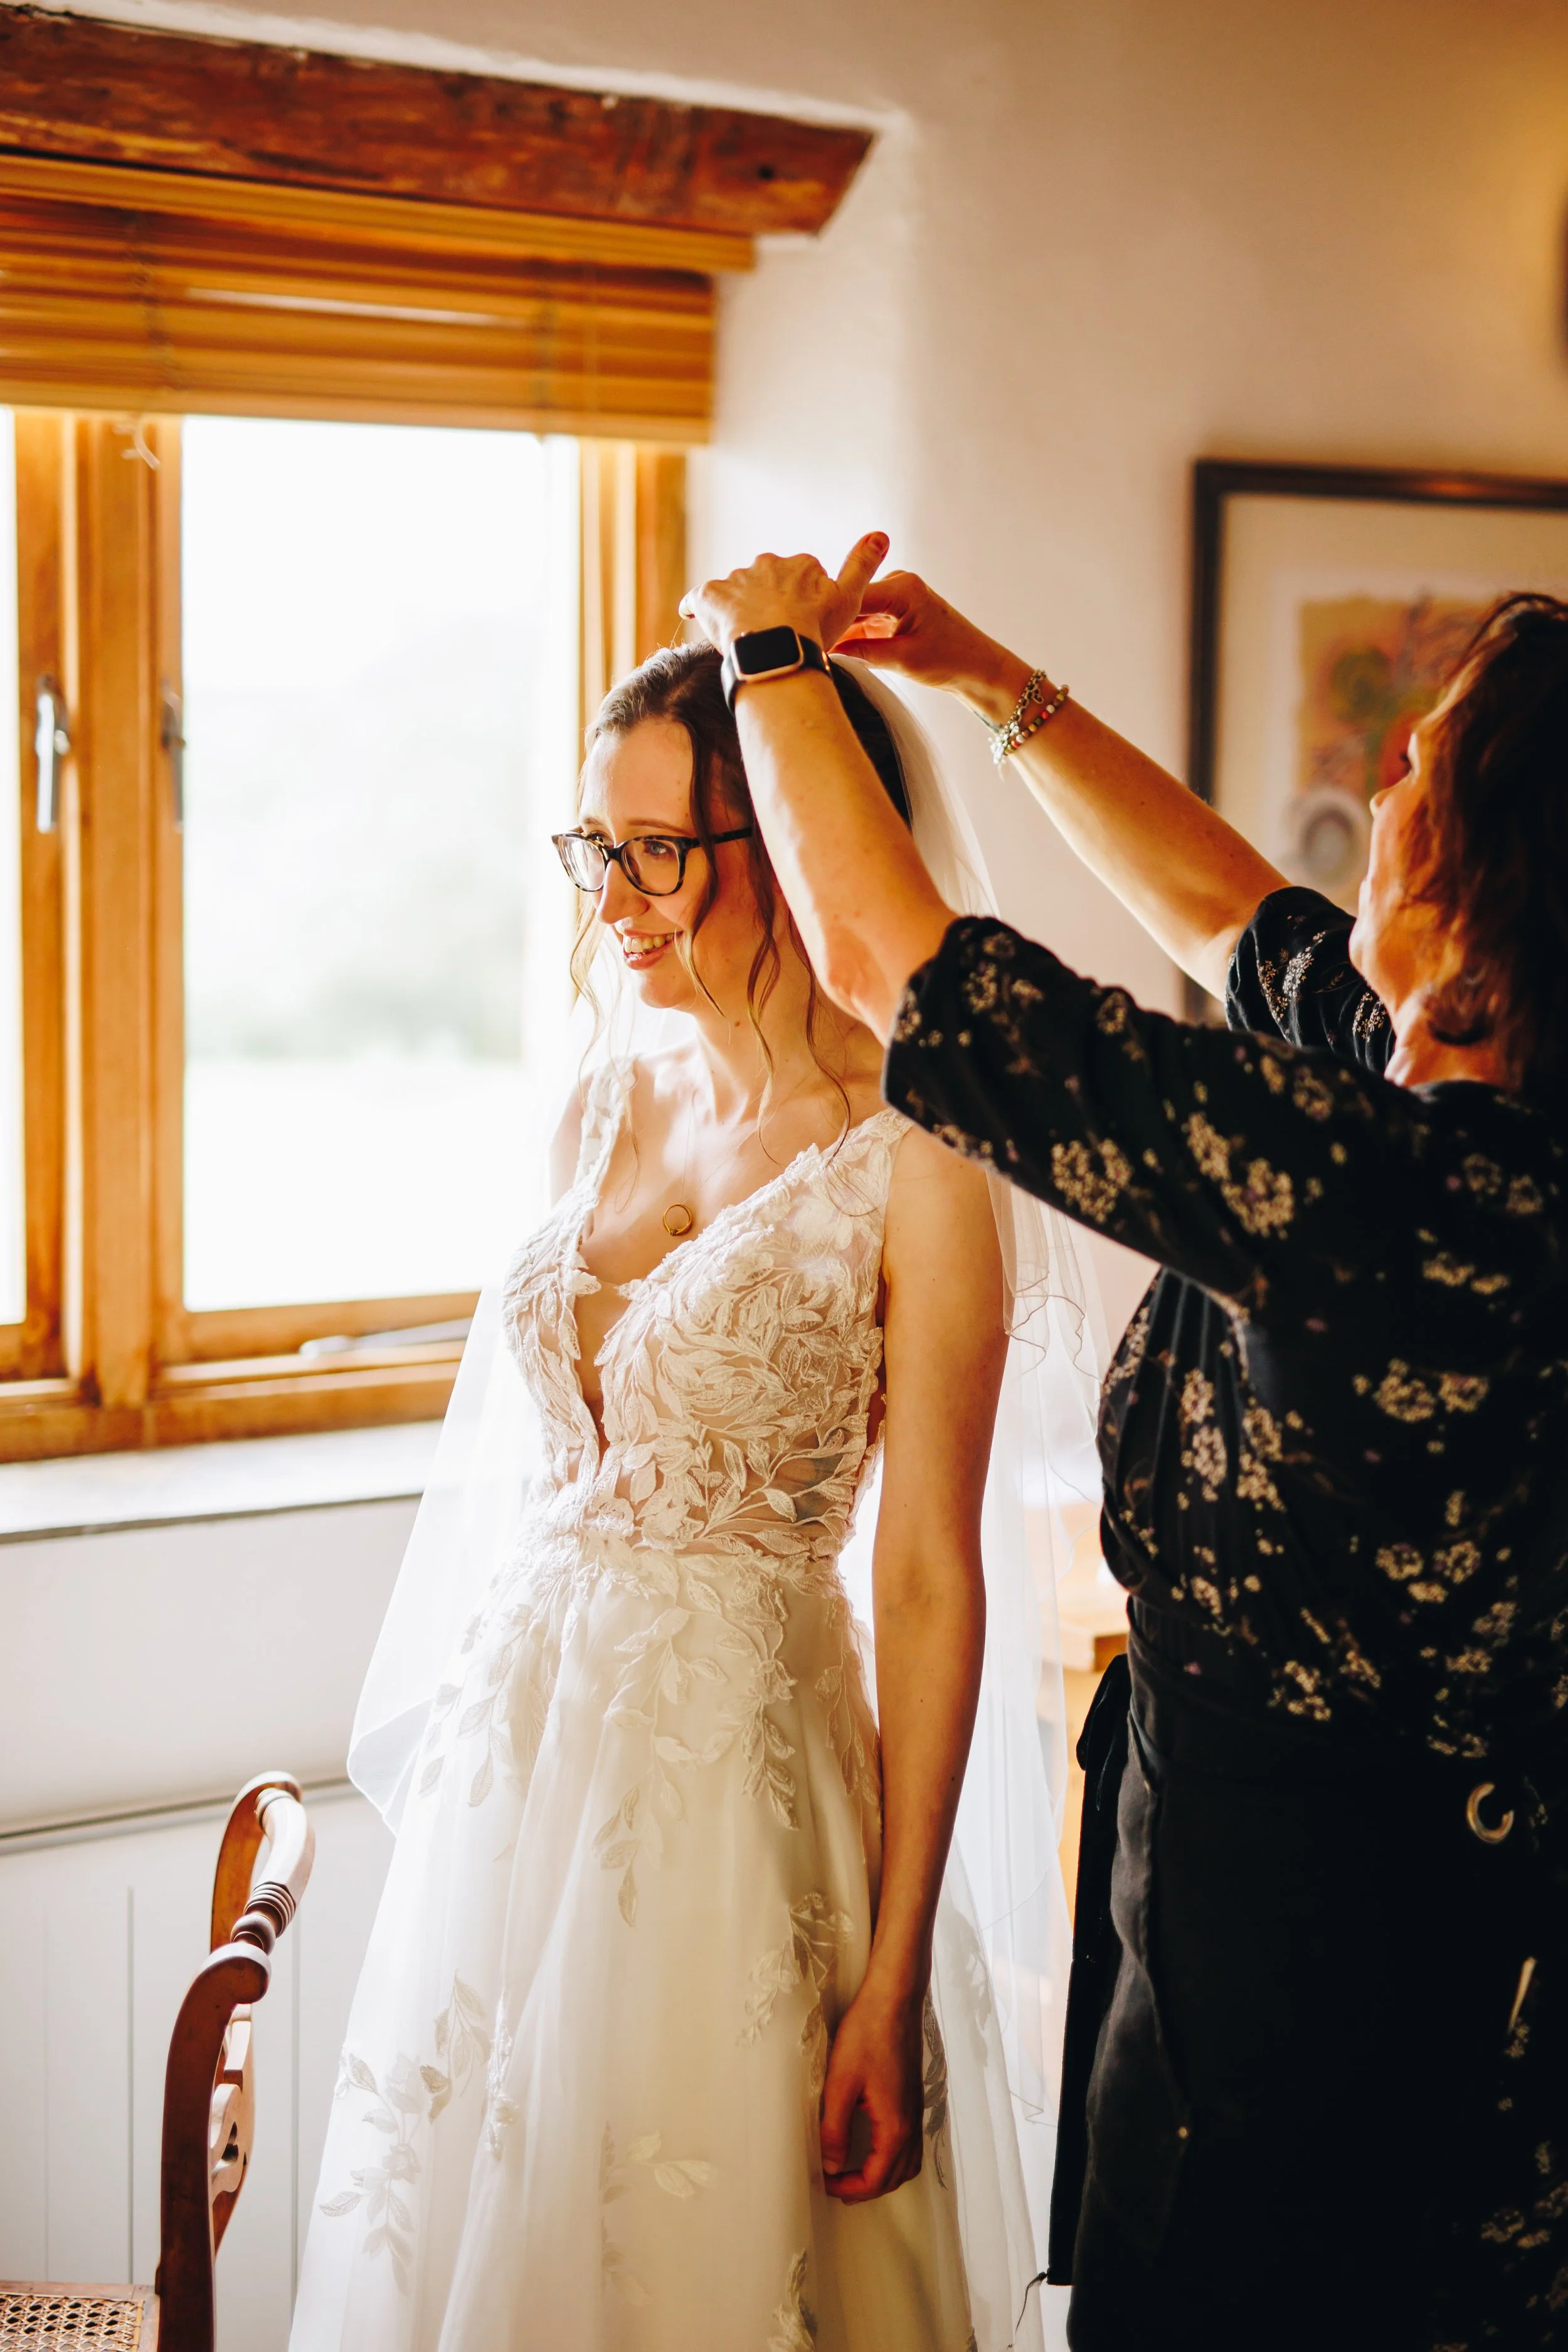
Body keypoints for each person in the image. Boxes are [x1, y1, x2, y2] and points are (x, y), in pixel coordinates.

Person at [681, 541, 1568, 2352]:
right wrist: (982, 674)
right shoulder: (1427, 1094)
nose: (1390, 766)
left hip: (1347, 2036)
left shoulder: (1411, 1202)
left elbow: (894, 970)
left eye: (1435, 757)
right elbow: (1230, 915)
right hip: (1221, 1940)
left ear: (1498, 875)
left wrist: (766, 653)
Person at [289, 643, 1101, 2352]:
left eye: (660, 850)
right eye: (596, 850)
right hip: (520, 1782)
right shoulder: (599, 1096)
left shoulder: (921, 1151)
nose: (617, 903)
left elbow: (933, 1579)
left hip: (746, 1808)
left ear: (797, 837)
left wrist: (888, 1983)